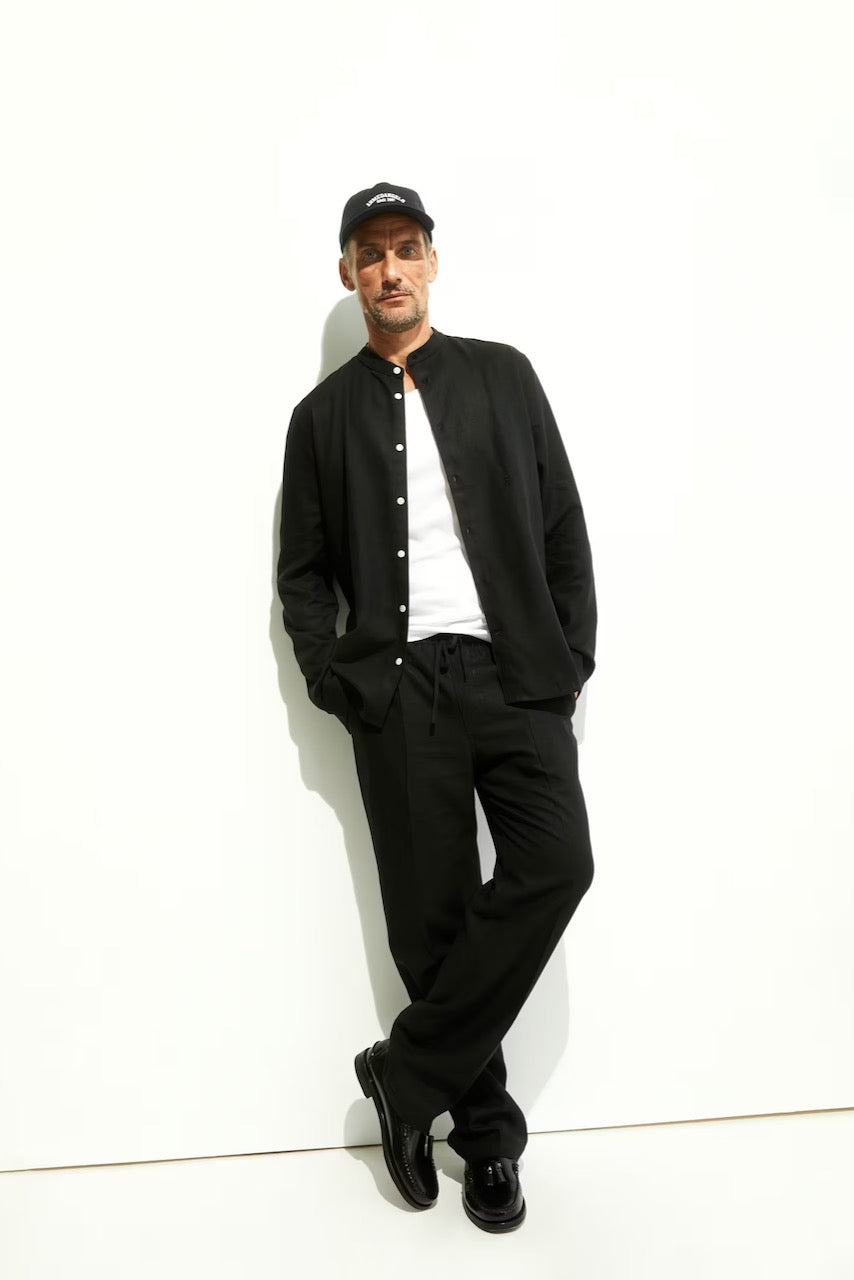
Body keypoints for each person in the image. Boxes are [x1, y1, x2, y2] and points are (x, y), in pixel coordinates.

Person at [277, 182, 596, 1233]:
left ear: (431, 260)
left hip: (514, 675)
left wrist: (568, 659)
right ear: (347, 274)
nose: (389, 270)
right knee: (432, 919)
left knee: (557, 863)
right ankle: (487, 1138)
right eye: (369, 254)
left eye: (405, 248)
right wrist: (338, 678)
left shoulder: (503, 375)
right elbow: (303, 575)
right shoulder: (320, 420)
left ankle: (403, 1075)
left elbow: (561, 520)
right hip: (399, 688)